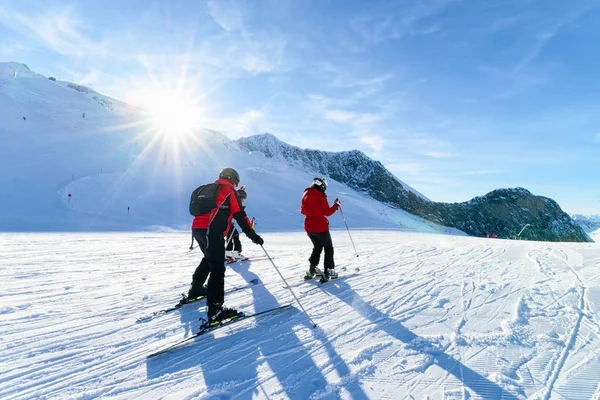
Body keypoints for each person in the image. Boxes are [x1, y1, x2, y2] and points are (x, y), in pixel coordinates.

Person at [188, 168, 264, 325]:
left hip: (197, 229)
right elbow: (240, 216)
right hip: (211, 232)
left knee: (208, 259)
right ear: (233, 179)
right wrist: (252, 235)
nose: (236, 185)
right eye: (236, 182)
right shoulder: (230, 191)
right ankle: (215, 311)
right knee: (217, 268)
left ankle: (196, 289)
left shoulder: (210, 188)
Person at [300, 177, 341, 282]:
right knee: (328, 248)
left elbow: (302, 210)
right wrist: (336, 205)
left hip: (309, 227)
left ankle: (312, 269)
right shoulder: (320, 196)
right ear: (322, 186)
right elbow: (327, 212)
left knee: (317, 247)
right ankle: (328, 270)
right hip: (320, 227)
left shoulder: (306, 193)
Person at [225, 187, 249, 262]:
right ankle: (236, 253)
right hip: (226, 221)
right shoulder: (235, 201)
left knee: (231, 234)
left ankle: (228, 253)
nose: (244, 200)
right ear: (241, 197)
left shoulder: (232, 198)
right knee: (235, 234)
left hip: (225, 221)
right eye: (243, 199)